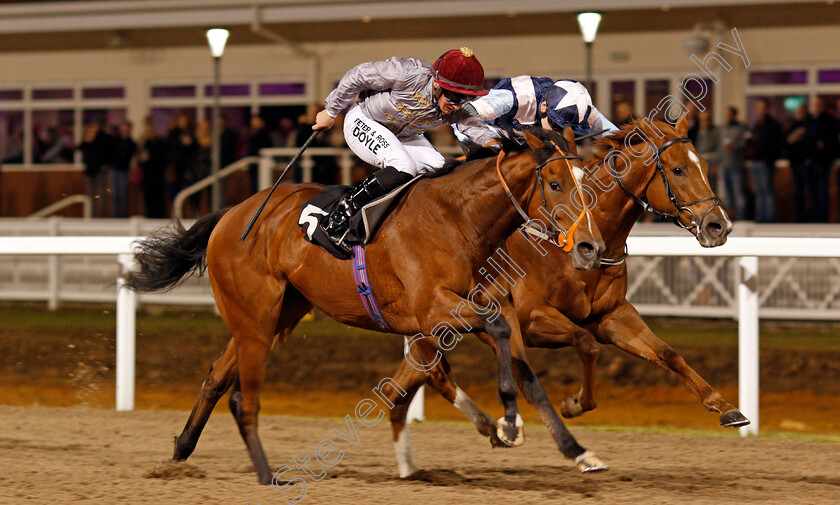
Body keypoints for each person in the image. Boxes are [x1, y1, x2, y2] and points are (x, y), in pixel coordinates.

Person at [312, 47, 497, 246]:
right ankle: (340, 216)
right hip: (364, 119)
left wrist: (501, 150)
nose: (458, 106)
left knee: (438, 166)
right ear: (436, 83)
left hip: (402, 135)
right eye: (454, 97)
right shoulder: (408, 73)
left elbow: (481, 133)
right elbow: (358, 75)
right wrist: (331, 110)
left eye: (466, 99)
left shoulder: (457, 107)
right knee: (404, 166)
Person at [466, 77, 617, 140]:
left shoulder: (581, 110)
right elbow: (462, 117)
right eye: (557, 126)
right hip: (485, 130)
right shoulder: (513, 98)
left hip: (521, 139)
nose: (559, 134)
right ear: (544, 106)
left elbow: (619, 138)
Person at [747, 98, 782, 223]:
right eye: (758, 108)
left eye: (762, 108)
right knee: (758, 191)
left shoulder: (772, 125)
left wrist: (766, 158)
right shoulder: (757, 125)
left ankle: (769, 217)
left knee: (767, 190)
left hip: (765, 162)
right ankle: (760, 216)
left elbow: (775, 144)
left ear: (767, 109)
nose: (760, 110)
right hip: (756, 161)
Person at [717, 106, 749, 220]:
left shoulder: (741, 128)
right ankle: (730, 217)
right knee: (727, 194)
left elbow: (745, 144)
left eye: (730, 115)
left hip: (736, 165)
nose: (728, 117)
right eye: (727, 115)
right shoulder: (723, 129)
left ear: (735, 115)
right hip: (725, 165)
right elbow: (720, 147)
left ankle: (741, 216)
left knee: (738, 192)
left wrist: (734, 146)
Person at [77, 122, 112, 218]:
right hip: (89, 171)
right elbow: (79, 147)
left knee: (101, 195)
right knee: (90, 195)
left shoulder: (103, 138)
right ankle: (91, 215)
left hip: (99, 171)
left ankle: (101, 216)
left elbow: (107, 151)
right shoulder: (88, 141)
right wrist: (87, 139)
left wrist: (105, 164)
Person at [812, 98, 838, 223]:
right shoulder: (813, 120)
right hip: (815, 161)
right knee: (815, 190)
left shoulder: (829, 121)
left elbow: (829, 143)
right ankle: (816, 216)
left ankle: (822, 217)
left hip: (824, 161)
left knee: (823, 190)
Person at [137, 119, 168, 218]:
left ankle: (159, 215)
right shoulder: (144, 144)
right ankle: (149, 215)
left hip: (157, 176)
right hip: (147, 177)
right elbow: (140, 160)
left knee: (158, 198)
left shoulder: (159, 143)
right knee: (148, 198)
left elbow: (161, 159)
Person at [110, 120, 136, 217]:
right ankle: (116, 215)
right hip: (115, 169)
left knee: (123, 194)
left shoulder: (131, 143)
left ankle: (123, 215)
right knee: (114, 195)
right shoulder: (116, 140)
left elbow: (128, 156)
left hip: (124, 170)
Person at [246, 115, 274, 194]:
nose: (254, 124)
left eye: (256, 121)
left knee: (260, 188)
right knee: (254, 188)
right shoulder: (253, 134)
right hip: (254, 167)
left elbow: (264, 148)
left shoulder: (264, 135)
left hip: (260, 166)